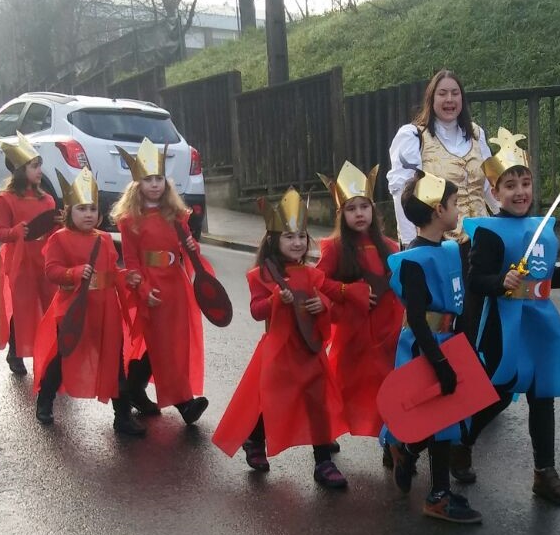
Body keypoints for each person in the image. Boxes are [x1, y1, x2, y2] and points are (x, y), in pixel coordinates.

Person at [463, 127, 560, 507]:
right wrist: (500, 281)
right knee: (499, 394)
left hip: (539, 324)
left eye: (525, 183)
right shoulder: (489, 232)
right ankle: (463, 442)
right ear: (495, 193)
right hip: (504, 325)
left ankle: (545, 474)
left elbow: (546, 278)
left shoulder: (542, 228)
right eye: (510, 186)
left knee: (542, 394)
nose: (520, 192)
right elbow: (475, 279)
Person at [386, 69, 499, 482]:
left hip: (478, 247)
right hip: (436, 250)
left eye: (455, 93)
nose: (450, 100)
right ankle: (411, 435)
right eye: (442, 94)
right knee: (435, 340)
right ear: (431, 99)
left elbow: (490, 190)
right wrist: (412, 246)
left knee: (475, 340)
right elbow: (401, 189)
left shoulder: (476, 135)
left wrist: (507, 227)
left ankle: (456, 441)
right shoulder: (413, 137)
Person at [212, 188, 349, 489]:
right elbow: (256, 311)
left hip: (309, 348)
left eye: (301, 236)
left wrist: (323, 305)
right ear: (274, 240)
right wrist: (275, 298)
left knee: (317, 401)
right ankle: (254, 439)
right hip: (279, 349)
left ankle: (323, 462)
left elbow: (332, 301)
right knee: (273, 400)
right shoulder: (260, 275)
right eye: (289, 237)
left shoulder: (312, 274)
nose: (297, 242)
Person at [382, 171, 482, 524]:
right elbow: (417, 318)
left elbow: (459, 301)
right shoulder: (413, 259)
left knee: (446, 419)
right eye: (454, 203)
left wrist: (463, 344)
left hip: (449, 342)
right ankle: (435, 492)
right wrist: (439, 362)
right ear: (439, 210)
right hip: (424, 347)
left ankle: (410, 455)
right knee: (436, 416)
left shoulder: (451, 249)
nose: (459, 210)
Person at [31, 167, 145, 436]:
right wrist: (73, 272)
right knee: (65, 356)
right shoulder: (59, 238)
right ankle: (45, 398)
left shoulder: (104, 238)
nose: (88, 214)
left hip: (106, 311)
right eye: (81, 209)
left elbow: (111, 272)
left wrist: (126, 277)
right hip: (75, 309)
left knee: (115, 362)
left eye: (93, 209)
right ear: (69, 211)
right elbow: (52, 271)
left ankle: (122, 417)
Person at [110, 138, 209, 425]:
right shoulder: (130, 220)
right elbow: (131, 262)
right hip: (153, 286)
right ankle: (184, 403)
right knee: (163, 344)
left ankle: (134, 388)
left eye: (159, 178)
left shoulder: (176, 215)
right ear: (137, 184)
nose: (154, 184)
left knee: (171, 344)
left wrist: (191, 245)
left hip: (176, 285)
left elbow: (190, 252)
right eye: (148, 179)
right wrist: (142, 289)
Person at [315, 162, 403, 456]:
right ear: (341, 214)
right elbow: (318, 280)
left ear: (373, 210)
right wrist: (347, 291)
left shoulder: (390, 247)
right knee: (342, 387)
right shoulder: (334, 248)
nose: (359, 213)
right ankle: (325, 435)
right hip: (353, 335)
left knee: (388, 387)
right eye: (351, 209)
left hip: (387, 334)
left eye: (364, 206)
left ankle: (391, 441)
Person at [0, 132, 59, 375]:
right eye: (34, 166)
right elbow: (0, 232)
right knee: (22, 306)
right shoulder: (6, 199)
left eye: (40, 165)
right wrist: (15, 231)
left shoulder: (48, 200)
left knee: (48, 303)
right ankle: (16, 351)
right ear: (21, 170)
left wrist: (60, 224)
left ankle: (50, 351)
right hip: (20, 261)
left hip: (43, 259)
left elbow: (52, 233)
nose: (40, 170)